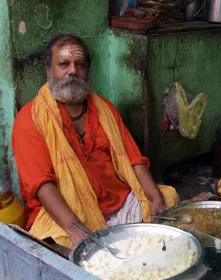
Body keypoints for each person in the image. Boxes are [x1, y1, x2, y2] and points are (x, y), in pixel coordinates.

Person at [12, 33, 179, 248]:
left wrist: (155, 199)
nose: (72, 70)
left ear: (87, 70)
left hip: (119, 202)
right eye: (63, 64)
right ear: (48, 70)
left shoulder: (105, 109)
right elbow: (42, 185)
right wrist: (74, 229)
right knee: (59, 243)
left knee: (169, 198)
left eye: (79, 64)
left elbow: (134, 161)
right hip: (69, 213)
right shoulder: (30, 119)